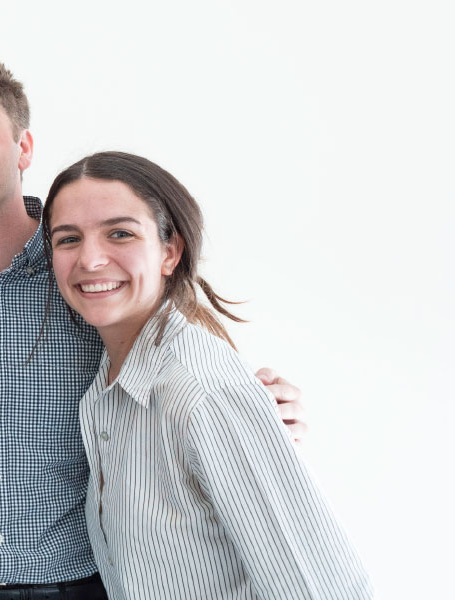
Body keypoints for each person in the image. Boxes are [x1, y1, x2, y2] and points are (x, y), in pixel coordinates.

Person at [0, 38, 307, 599]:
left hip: (82, 587)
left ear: (23, 146)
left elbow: (177, 362)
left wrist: (252, 406)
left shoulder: (94, 273)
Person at [42, 150, 371, 598]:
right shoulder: (107, 384)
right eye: (68, 239)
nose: (91, 259)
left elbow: (319, 586)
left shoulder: (201, 390)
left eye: (120, 233)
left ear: (169, 251)